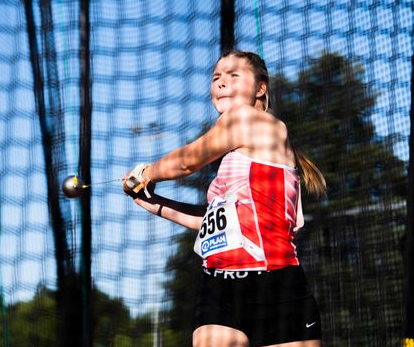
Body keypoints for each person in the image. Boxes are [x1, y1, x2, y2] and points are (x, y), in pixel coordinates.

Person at [123, 50, 325, 347]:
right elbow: (216, 221)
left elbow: (187, 162)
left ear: (260, 88)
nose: (221, 83)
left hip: (276, 284)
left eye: (233, 76)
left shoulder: (250, 121)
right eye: (216, 77)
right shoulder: (237, 155)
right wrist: (158, 205)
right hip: (219, 283)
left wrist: (146, 172)